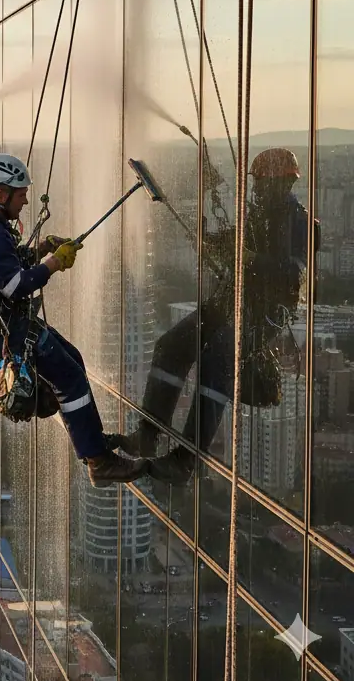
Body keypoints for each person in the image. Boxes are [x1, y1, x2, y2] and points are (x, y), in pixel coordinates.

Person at [116, 146, 318, 482]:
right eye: (257, 186)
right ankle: (148, 435)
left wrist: (251, 258)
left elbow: (294, 273)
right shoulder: (257, 216)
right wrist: (211, 242)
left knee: (218, 357)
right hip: (231, 299)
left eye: (264, 186)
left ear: (284, 185)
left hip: (265, 311)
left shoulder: (301, 223)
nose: (257, 192)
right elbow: (233, 245)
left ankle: (186, 460)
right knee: (171, 345)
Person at [0, 153, 151, 487]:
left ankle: (93, 441)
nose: (26, 199)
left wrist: (43, 247)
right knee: (70, 378)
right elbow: (15, 286)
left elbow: (1, 270)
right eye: (20, 194)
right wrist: (55, 263)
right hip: (4, 329)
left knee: (72, 359)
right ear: (0, 195)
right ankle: (98, 462)